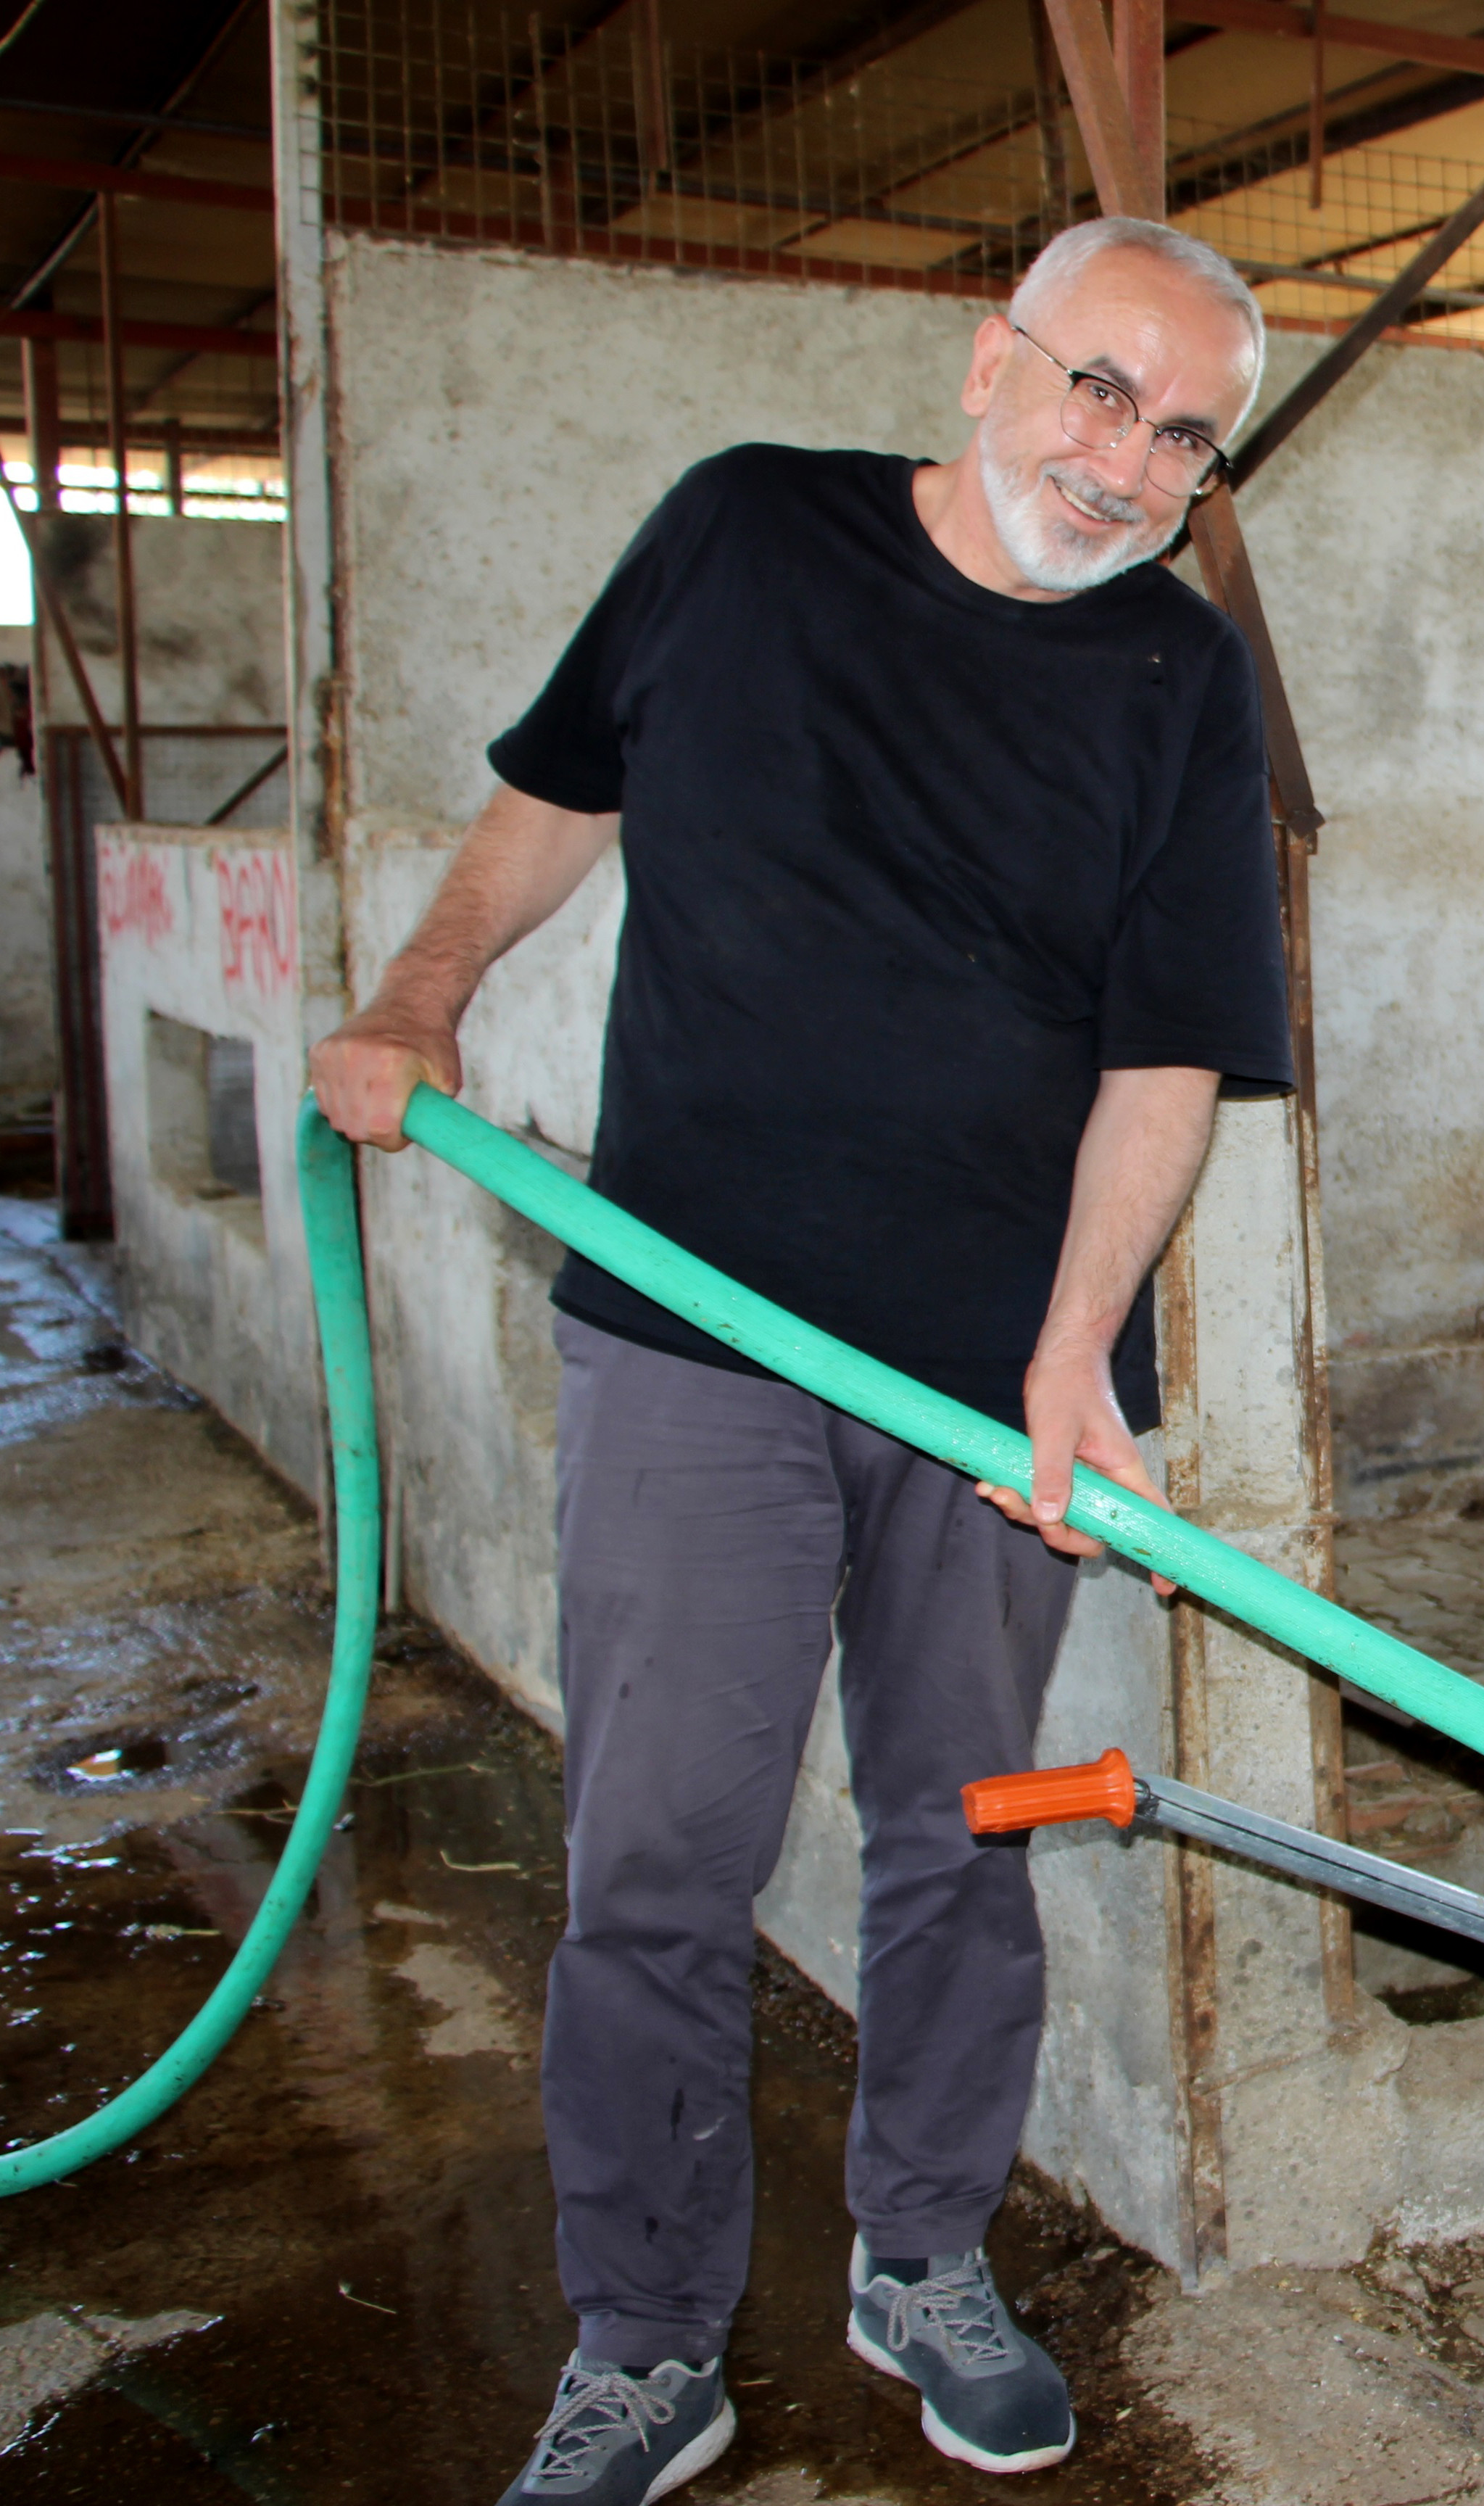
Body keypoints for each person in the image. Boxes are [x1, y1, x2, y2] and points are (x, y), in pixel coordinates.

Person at [307, 217, 1296, 2503]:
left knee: (958, 1838)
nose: (1121, 457)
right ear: (988, 365)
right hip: (693, 1335)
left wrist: (1073, 1356)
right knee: (661, 1860)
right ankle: (646, 2341)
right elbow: (565, 783)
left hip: (980, 1398)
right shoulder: (747, 526)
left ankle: (921, 2254)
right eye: (1091, 388)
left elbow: (1171, 1056)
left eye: (1180, 434)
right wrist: (423, 994)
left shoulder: (1172, 677)